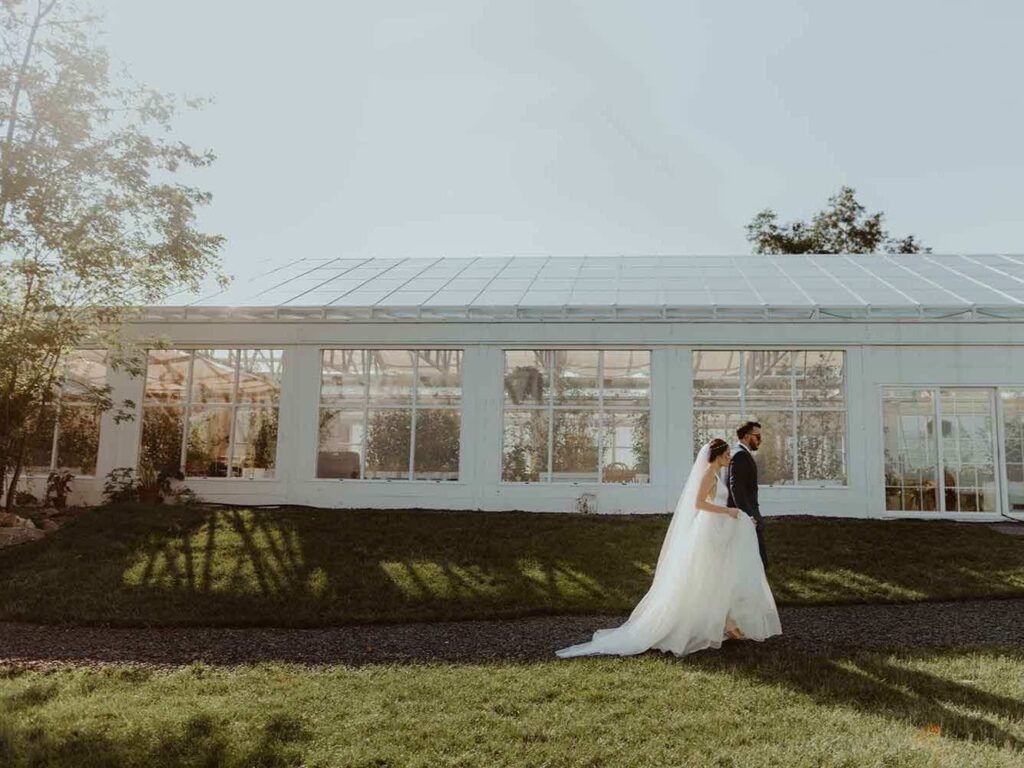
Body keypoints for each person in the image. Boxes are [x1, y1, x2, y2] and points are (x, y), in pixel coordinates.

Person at [555, 438, 781, 658]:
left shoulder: (714, 474)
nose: (729, 458)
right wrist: (729, 513)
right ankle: (722, 622)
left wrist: (741, 518)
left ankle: (725, 621)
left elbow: (721, 505)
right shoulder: (707, 475)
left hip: (716, 528)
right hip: (708, 529)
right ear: (717, 455)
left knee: (716, 575)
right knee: (709, 574)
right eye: (726, 455)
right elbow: (699, 504)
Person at [724, 421, 767, 567]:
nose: (760, 440)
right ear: (747, 436)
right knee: (756, 560)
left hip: (745, 513)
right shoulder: (740, 455)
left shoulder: (736, 452)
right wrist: (748, 516)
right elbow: (736, 488)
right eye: (758, 436)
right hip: (745, 515)